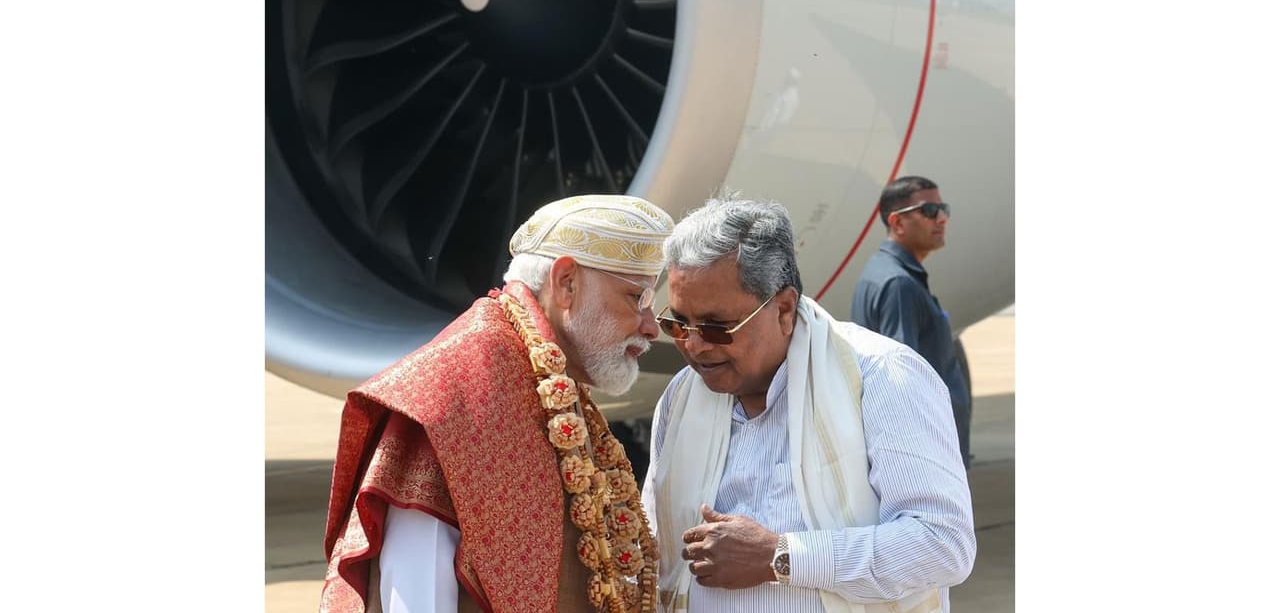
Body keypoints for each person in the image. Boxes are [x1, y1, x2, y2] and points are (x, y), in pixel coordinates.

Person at [321, 194, 675, 613]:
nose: (653, 328)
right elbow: (416, 593)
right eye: (637, 299)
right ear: (566, 283)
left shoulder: (548, 371)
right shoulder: (457, 384)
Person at [641, 194, 974, 613]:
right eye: (678, 323)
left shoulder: (881, 377)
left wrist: (781, 556)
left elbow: (943, 544)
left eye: (716, 327)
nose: (694, 345)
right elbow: (652, 542)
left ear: (783, 309)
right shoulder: (683, 396)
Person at [851, 175, 971, 467]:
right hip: (928, 452)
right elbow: (901, 380)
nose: (941, 219)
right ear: (897, 222)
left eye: (944, 210)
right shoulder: (898, 284)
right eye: (929, 211)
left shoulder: (886, 271)